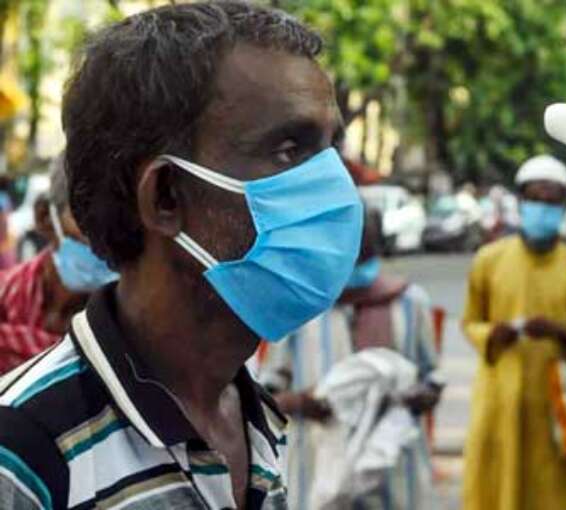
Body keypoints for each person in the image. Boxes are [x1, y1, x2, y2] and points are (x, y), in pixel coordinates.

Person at [0, 3, 364, 508]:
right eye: (289, 150)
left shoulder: (253, 416)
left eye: (330, 147)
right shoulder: (22, 453)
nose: (334, 183)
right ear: (166, 196)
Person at [259, 208, 441, 509]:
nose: (354, 256)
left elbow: (432, 378)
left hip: (395, 478)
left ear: (377, 248)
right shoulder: (302, 307)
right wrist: (304, 403)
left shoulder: (411, 302)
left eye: (363, 247)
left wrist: (417, 397)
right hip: (319, 476)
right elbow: (265, 395)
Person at [462, 155, 566, 510]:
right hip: (500, 400)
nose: (542, 208)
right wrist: (492, 335)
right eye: (535, 199)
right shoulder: (489, 259)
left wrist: (559, 332)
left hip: (559, 408)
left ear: (563, 206)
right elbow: (470, 322)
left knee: (554, 492)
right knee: (493, 488)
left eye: (551, 201)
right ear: (520, 201)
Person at [0, 155, 116, 376]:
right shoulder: (6, 298)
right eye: (91, 219)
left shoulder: (125, 332)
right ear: (44, 216)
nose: (109, 239)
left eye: (122, 223)